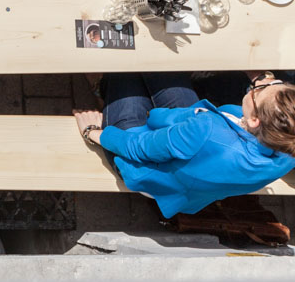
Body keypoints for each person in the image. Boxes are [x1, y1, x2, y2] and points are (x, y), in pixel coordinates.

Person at [73, 72, 295, 218]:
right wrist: (260, 80)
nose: (262, 85)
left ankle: (103, 87)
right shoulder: (286, 150)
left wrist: (92, 131)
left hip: (145, 168)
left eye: (261, 90)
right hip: (188, 149)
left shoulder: (207, 131)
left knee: (123, 74)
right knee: (163, 68)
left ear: (255, 120)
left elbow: (137, 148)